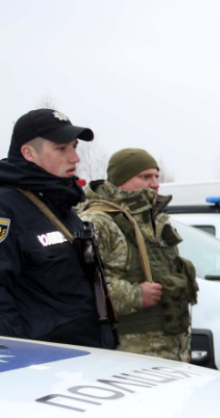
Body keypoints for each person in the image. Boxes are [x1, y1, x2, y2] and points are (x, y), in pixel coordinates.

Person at [0, 108, 115, 348]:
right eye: (61, 149)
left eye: (74, 147)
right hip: (43, 365)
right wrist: (20, 356)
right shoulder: (7, 207)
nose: (75, 157)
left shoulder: (60, 202)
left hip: (86, 355)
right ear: (28, 153)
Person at [77, 149, 198, 361]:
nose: (154, 184)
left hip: (170, 354)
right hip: (129, 358)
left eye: (156, 176)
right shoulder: (99, 222)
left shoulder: (155, 222)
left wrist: (183, 349)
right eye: (145, 177)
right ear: (120, 182)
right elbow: (81, 291)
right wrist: (136, 295)